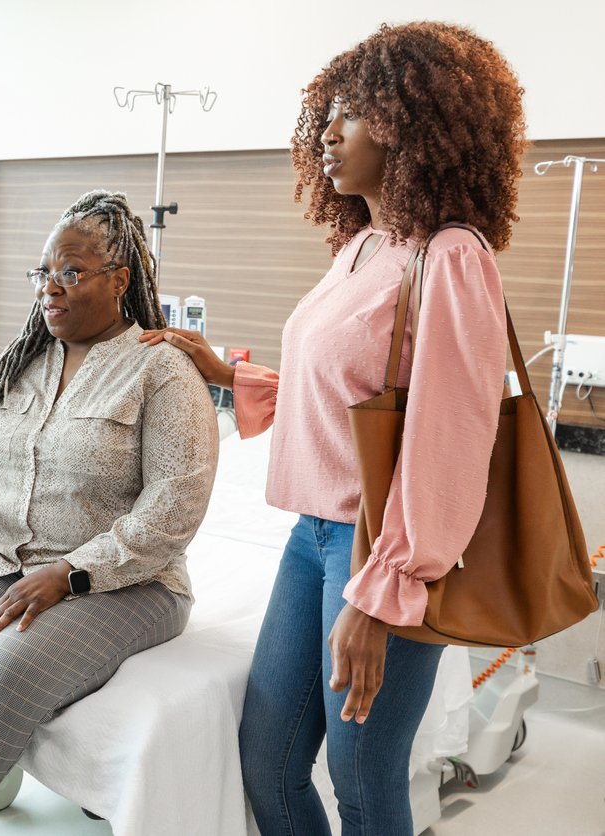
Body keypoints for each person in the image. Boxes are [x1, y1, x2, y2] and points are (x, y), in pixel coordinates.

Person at [142, 22, 521, 835]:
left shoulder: (451, 258)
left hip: (378, 545)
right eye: (328, 112)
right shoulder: (361, 248)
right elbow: (345, 397)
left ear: (410, 126)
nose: (327, 131)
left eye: (351, 113)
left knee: (362, 782)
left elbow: (449, 446)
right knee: (268, 763)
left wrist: (383, 594)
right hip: (311, 537)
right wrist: (228, 375)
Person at [0, 190, 220, 811]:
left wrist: (70, 571)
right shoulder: (22, 364)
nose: (49, 288)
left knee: (3, 667)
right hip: (3, 557)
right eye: (43, 272)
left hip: (129, 581)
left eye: (71, 272)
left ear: (119, 281)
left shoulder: (162, 370)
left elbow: (174, 509)